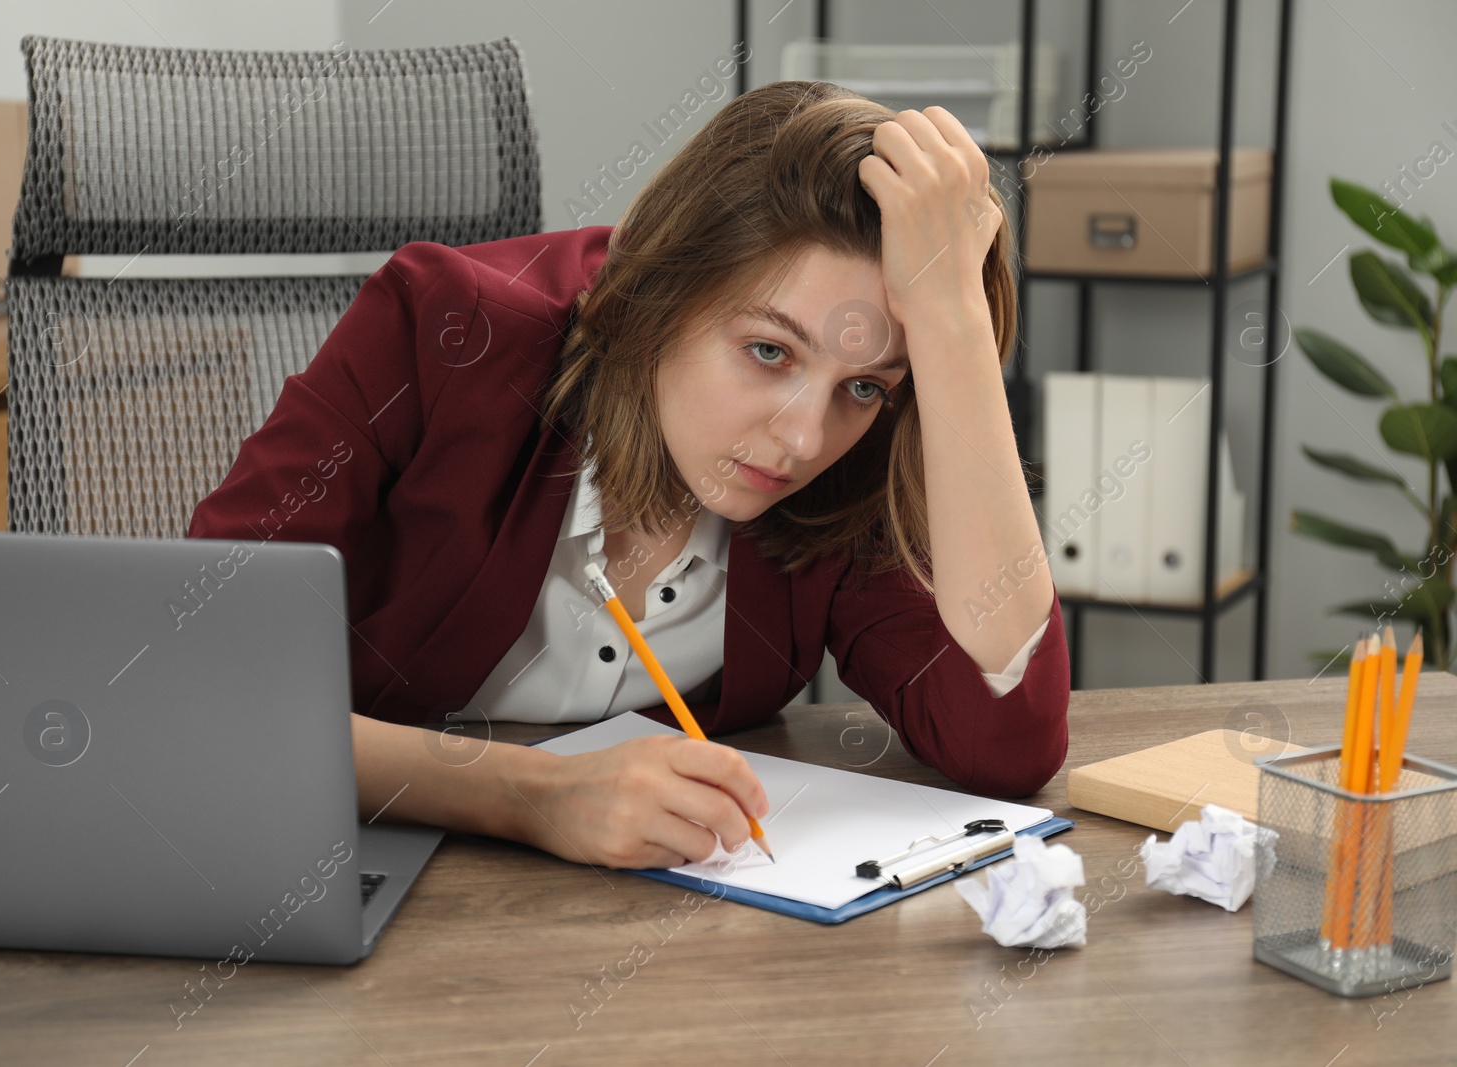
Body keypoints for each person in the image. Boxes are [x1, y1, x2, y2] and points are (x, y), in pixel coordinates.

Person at [188, 81, 1069, 871]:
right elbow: (197, 682)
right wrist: (528, 796)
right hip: (330, 889)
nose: (803, 438)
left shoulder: (855, 453)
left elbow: (1007, 741)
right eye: (768, 350)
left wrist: (953, 322)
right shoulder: (442, 329)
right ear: (662, 293)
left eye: (866, 385)